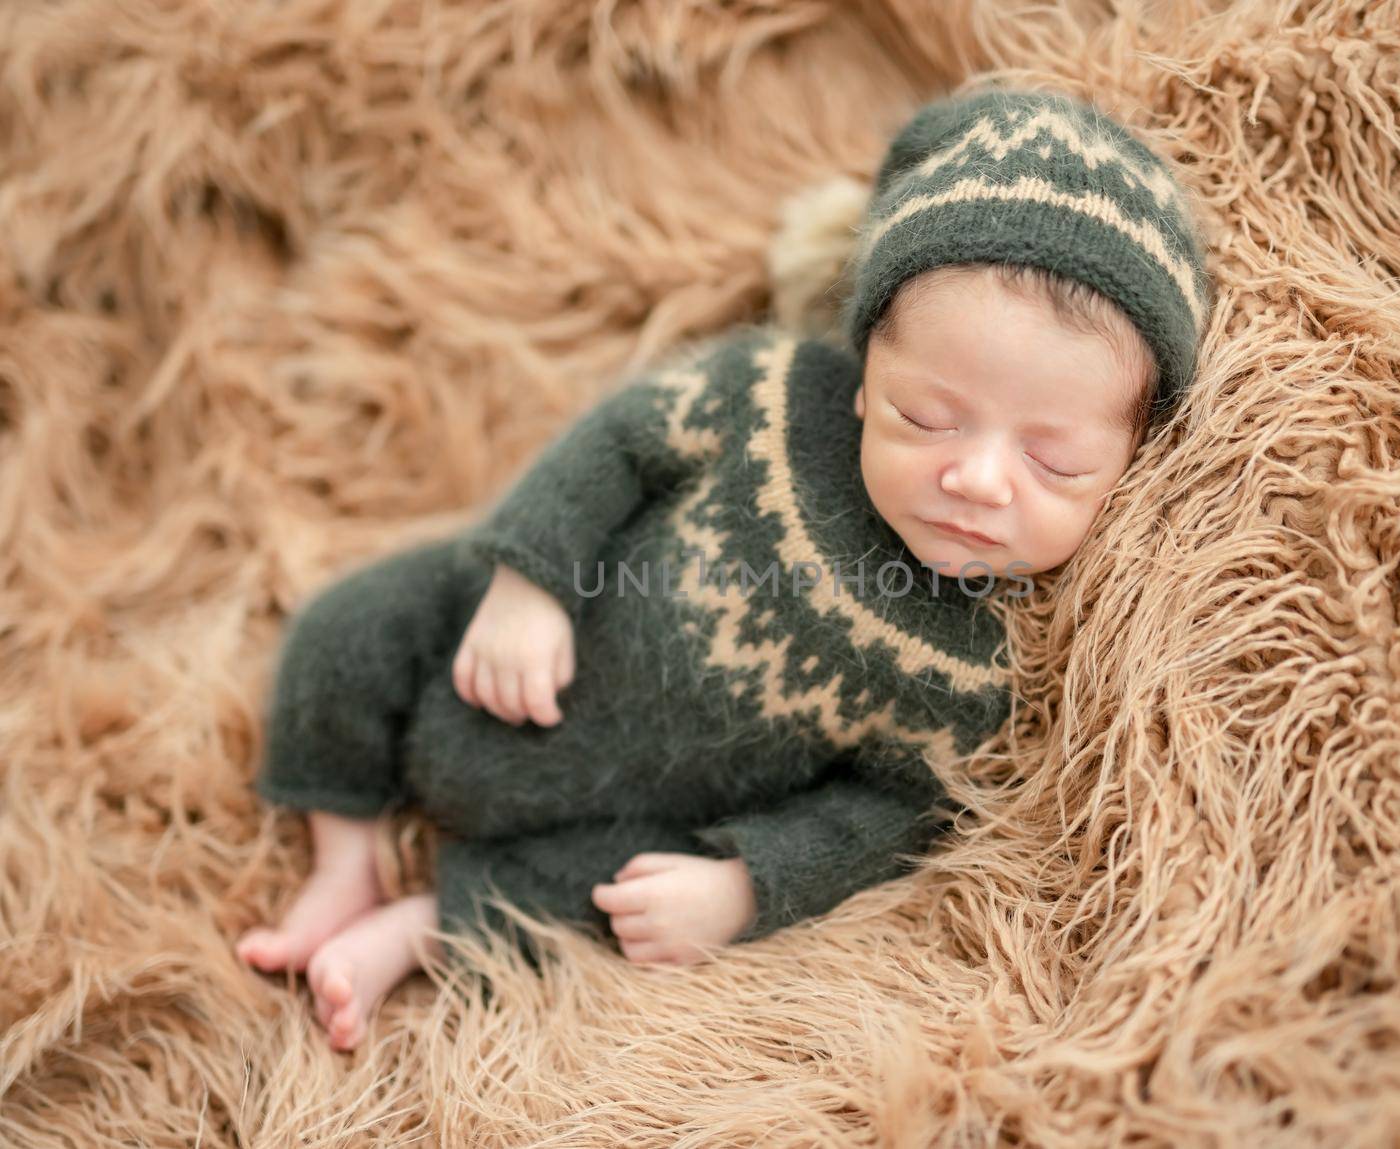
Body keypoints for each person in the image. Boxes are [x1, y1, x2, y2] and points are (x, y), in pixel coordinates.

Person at [235, 85, 1212, 1051]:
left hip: (627, 806)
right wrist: (529, 582)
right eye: (928, 415)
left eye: (1055, 464)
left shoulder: (967, 663)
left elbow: (889, 811)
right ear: (866, 374)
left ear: (1124, 467)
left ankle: (421, 927)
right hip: (529, 629)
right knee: (352, 625)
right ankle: (345, 853)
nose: (979, 478)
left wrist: (744, 886)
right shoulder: (774, 392)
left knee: (629, 891)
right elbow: (620, 444)